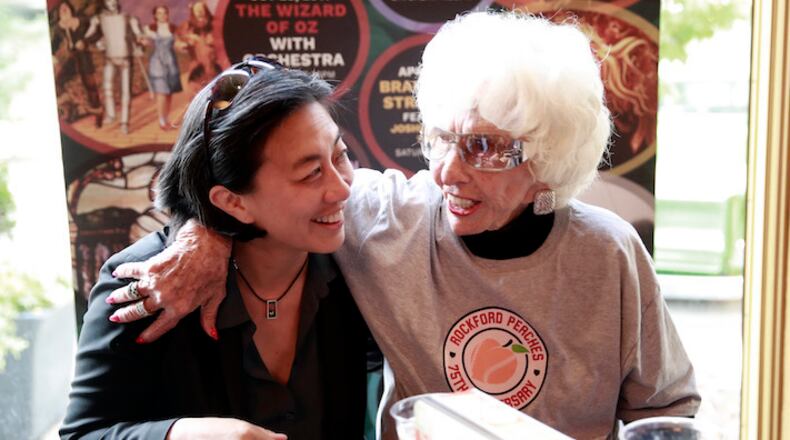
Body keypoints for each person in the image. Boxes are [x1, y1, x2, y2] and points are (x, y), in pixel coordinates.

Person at [107, 12, 701, 439]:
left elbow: (666, 410)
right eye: (442, 137)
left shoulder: (609, 251)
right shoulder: (385, 216)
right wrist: (202, 235)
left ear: (550, 161)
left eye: (484, 147)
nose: (446, 171)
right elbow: (250, 184)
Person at [60, 57, 374, 439]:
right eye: (310, 173)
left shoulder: (361, 258)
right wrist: (184, 434)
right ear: (233, 202)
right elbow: (84, 434)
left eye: (339, 156)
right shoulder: (148, 282)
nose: (342, 189)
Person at [83, 0, 143, 134]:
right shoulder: (99, 18)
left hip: (125, 58)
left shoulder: (128, 17)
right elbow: (88, 34)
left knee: (125, 91)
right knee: (107, 88)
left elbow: (138, 34)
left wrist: (139, 41)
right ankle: (111, 115)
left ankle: (124, 122)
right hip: (110, 57)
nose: (112, 3)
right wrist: (97, 39)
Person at [51, 0, 103, 127]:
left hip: (84, 57)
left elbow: (97, 33)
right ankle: (71, 104)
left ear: (70, 9)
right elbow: (54, 44)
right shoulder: (59, 27)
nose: (64, 10)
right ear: (58, 12)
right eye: (61, 8)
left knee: (91, 86)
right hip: (71, 59)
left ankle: (98, 114)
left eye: (66, 7)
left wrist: (84, 42)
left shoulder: (82, 21)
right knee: (59, 81)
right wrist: (53, 56)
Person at [142, 5, 183, 130]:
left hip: (171, 62)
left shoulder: (173, 28)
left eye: (164, 13)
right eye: (159, 13)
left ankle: (167, 118)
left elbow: (177, 43)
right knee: (161, 93)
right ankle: (161, 121)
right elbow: (145, 41)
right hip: (158, 63)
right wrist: (143, 42)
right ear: (155, 15)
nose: (162, 15)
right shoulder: (150, 29)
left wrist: (182, 46)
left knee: (169, 93)